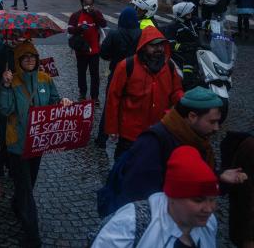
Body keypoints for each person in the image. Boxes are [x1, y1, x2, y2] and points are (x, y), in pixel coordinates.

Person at [108, 87, 247, 210]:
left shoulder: (197, 139)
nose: (216, 128)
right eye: (212, 121)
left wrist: (218, 177)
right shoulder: (153, 142)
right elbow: (138, 195)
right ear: (192, 116)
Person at [0, 41, 71, 247]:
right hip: (17, 143)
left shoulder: (45, 79)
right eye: (25, 57)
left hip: (38, 144)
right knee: (27, 190)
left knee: (28, 183)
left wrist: (63, 102)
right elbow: (3, 109)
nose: (30, 60)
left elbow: (54, 103)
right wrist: (4, 86)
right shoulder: (12, 81)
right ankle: (32, 236)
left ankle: (16, 204)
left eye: (33, 57)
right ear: (18, 61)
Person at [92, 146, 220, 247]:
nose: (209, 209)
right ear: (172, 196)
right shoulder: (130, 223)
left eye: (213, 199)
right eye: (198, 200)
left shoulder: (210, 223)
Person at [105, 26, 184, 158]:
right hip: (130, 134)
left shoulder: (169, 66)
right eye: (154, 46)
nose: (158, 49)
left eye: (161, 45)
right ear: (144, 46)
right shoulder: (126, 66)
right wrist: (112, 128)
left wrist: (184, 102)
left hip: (159, 131)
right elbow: (114, 97)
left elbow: (176, 91)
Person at [96, 7, 141, 147]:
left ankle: (102, 138)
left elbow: (103, 53)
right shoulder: (142, 33)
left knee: (110, 104)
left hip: (116, 73)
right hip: (136, 74)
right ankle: (129, 137)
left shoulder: (114, 34)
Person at [68, 0, 107, 104]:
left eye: (90, 4)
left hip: (94, 51)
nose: (88, 6)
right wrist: (79, 29)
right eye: (86, 4)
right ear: (82, 4)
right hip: (81, 51)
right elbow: (70, 30)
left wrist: (94, 14)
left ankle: (95, 97)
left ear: (93, 4)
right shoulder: (76, 16)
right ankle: (82, 94)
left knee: (95, 74)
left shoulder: (97, 13)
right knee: (81, 73)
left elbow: (104, 24)